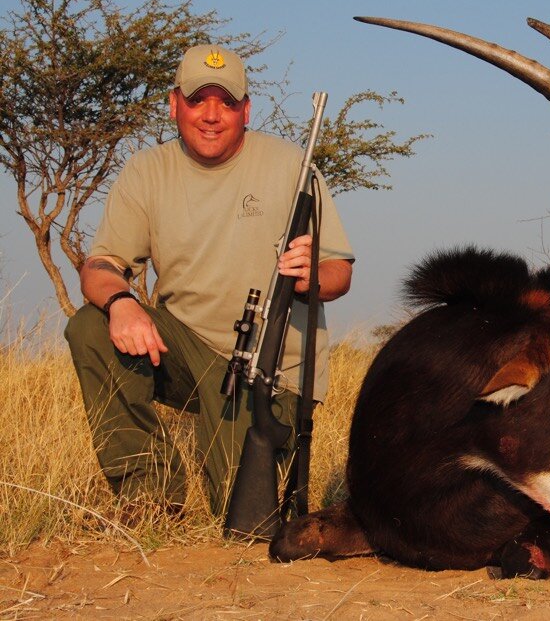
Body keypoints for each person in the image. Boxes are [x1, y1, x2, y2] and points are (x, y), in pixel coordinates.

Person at [64, 44, 354, 519]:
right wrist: (121, 302)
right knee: (89, 327)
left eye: (227, 101)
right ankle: (150, 497)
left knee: (241, 520)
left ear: (246, 109)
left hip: (269, 369)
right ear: (175, 104)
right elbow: (100, 266)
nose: (211, 115)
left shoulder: (292, 168)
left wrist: (310, 277)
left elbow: (339, 271)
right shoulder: (145, 171)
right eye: (198, 100)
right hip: (187, 353)